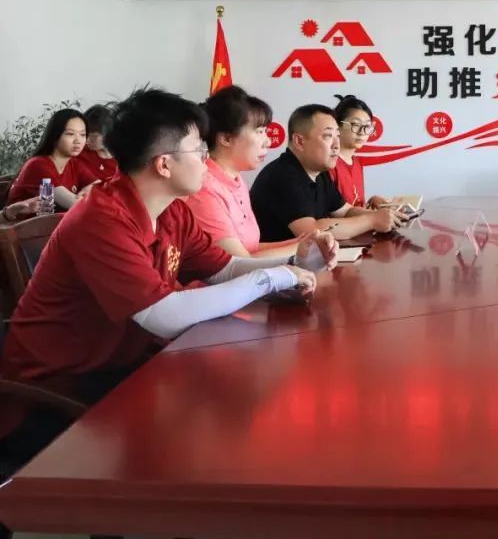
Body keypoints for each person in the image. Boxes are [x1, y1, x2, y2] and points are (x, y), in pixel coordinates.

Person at [0, 88, 338, 459]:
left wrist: (295, 264)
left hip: (125, 367)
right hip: (54, 393)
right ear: (164, 164)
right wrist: (270, 278)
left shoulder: (172, 210)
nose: (207, 160)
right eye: (199, 149)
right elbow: (161, 315)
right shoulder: (102, 218)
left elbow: (224, 268)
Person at [250, 104, 406, 242]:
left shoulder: (318, 171)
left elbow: (345, 211)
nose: (336, 145)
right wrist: (372, 220)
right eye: (328, 136)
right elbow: (312, 231)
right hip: (281, 264)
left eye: (337, 136)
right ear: (299, 141)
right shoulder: (283, 176)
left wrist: (385, 216)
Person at [186, 86, 303, 258]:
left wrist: (303, 242)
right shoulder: (204, 188)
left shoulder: (236, 179)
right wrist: (302, 247)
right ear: (226, 138)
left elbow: (251, 248)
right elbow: (240, 262)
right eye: (259, 132)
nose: (268, 142)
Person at [5, 107, 93, 209]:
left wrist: (91, 188)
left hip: (52, 218)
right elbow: (75, 205)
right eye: (70, 134)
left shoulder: (74, 163)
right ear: (55, 136)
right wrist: (93, 195)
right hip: (24, 219)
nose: (78, 140)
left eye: (82, 134)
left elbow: (101, 188)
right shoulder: (38, 165)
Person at [328, 94, 391, 209]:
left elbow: (355, 206)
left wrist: (371, 202)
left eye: (367, 126)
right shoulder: (328, 164)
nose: (362, 132)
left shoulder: (357, 163)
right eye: (356, 125)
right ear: (337, 125)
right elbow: (333, 212)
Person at [72, 103, 118, 183]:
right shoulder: (79, 154)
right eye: (85, 135)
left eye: (93, 136)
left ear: (108, 134)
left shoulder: (122, 159)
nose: (87, 140)